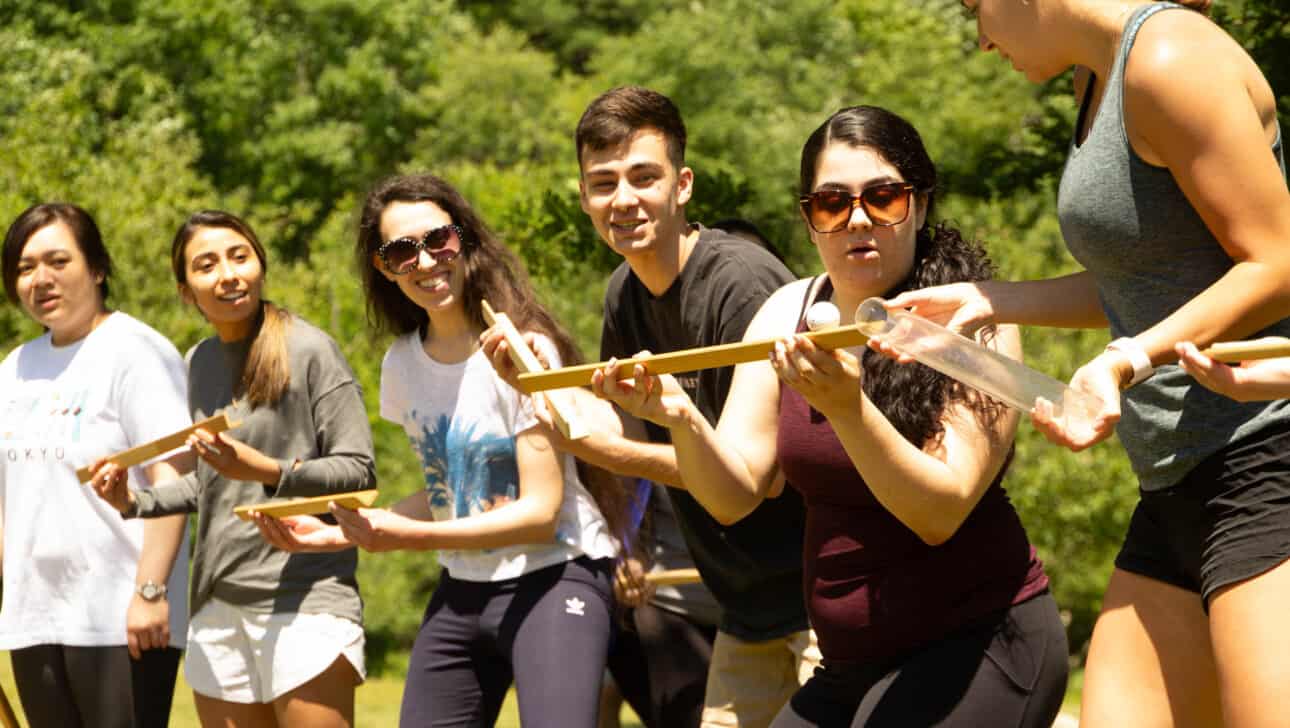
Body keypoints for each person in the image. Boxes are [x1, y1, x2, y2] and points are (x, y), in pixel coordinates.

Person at [595, 104, 1068, 727]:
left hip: (979, 643)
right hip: (850, 665)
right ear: (810, 220)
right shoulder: (787, 310)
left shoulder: (976, 323)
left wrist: (848, 408)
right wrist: (681, 418)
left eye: (884, 197)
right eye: (831, 203)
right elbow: (734, 494)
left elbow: (940, 511)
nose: (858, 219)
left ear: (920, 205)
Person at [894, 2, 1290, 726]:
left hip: (1266, 464)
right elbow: (1139, 279)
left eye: (973, 10)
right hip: (1172, 482)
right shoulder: (1093, 80)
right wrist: (991, 300)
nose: (980, 41)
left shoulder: (1170, 59)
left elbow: (1278, 261)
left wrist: (1126, 359)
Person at [484, 85, 816, 728]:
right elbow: (630, 421)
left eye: (643, 177)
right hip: (744, 605)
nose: (623, 200)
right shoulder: (624, 292)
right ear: (584, 196)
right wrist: (547, 380)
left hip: (819, 597)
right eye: (603, 183)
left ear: (683, 184)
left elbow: (759, 479)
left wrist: (602, 451)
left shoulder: (739, 284)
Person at [254, 173, 625, 727]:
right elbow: (451, 492)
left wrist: (407, 539)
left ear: (465, 240)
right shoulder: (402, 365)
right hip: (464, 588)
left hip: (555, 574)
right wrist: (344, 531)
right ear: (385, 267)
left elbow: (541, 515)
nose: (425, 262)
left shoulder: (522, 350)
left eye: (438, 241)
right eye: (403, 251)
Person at [91, 210, 374, 727]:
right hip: (219, 606)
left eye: (239, 256)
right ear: (186, 289)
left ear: (260, 264)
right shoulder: (198, 361)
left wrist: (264, 469)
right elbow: (216, 482)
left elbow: (359, 472)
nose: (228, 274)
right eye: (207, 265)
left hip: (305, 601)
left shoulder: (308, 349)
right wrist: (134, 503)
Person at [0, 202, 190, 728]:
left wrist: (149, 591)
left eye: (58, 261)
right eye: (24, 266)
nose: (41, 278)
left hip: (120, 618)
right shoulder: (14, 369)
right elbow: (9, 502)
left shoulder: (137, 352)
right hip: (34, 619)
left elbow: (171, 477)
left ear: (98, 268)